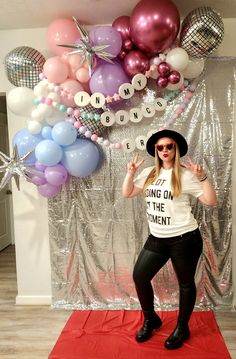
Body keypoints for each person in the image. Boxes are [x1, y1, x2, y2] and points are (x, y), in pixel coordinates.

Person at [122, 129, 217, 350]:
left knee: (185, 284)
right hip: (158, 238)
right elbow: (127, 193)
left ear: (176, 149)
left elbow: (210, 201)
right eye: (160, 147)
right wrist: (130, 173)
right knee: (140, 276)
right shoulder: (149, 173)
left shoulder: (185, 175)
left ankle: (182, 327)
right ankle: (151, 319)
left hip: (184, 239)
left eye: (169, 146)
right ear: (156, 150)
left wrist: (202, 178)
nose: (165, 150)